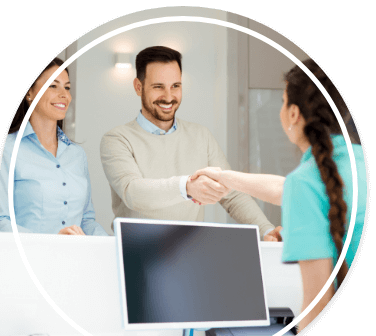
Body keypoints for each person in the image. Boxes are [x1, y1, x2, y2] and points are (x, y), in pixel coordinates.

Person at [191, 58, 367, 332]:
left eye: (283, 102)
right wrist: (226, 177)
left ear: (294, 114)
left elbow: (317, 305)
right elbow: (288, 189)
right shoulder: (354, 163)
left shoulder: (307, 182)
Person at [100, 46, 280, 240]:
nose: (168, 97)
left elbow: (232, 195)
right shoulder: (117, 139)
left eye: (175, 86)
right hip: (135, 251)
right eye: (158, 86)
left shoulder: (201, 136)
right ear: (138, 87)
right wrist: (186, 186)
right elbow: (132, 192)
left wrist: (266, 230)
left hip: (189, 252)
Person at [0, 57, 107, 236]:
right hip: (25, 260)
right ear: (29, 93)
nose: (64, 95)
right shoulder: (8, 150)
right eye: (53, 86)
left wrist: (111, 244)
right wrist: (52, 242)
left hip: (73, 260)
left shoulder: (77, 154)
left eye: (67, 87)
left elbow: (86, 220)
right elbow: (1, 221)